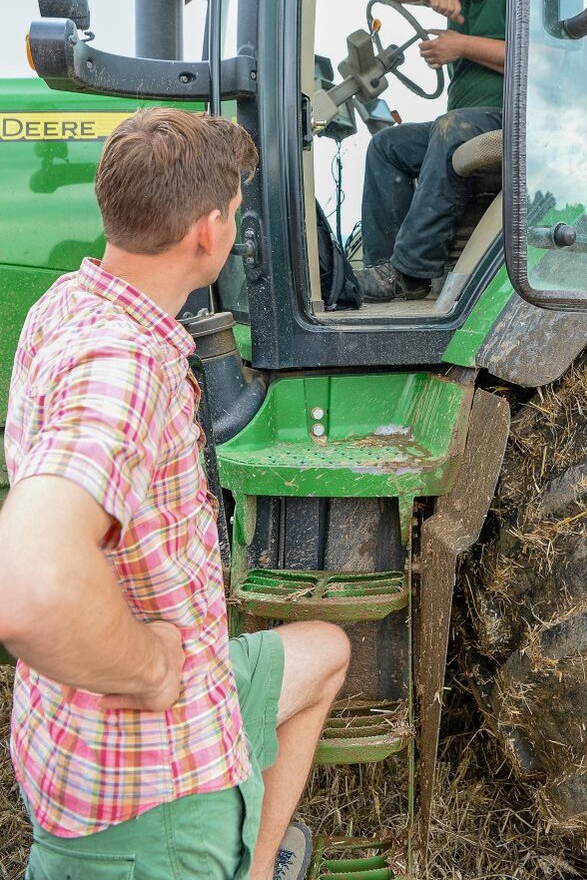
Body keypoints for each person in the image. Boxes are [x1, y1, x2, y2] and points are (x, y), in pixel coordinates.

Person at [0, 108, 350, 880]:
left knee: (325, 652)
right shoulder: (122, 367)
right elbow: (27, 592)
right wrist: (153, 671)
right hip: (151, 797)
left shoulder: (68, 303)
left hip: (155, 699)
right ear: (208, 231)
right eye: (234, 210)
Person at [358, 0, 507, 302]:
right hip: (463, 126)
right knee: (388, 145)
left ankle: (412, 270)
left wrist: (462, 46)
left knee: (450, 127)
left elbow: (541, 61)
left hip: (515, 120)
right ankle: (383, 272)